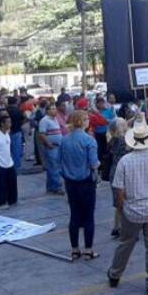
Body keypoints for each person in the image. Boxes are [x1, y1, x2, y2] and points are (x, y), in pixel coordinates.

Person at [107, 115, 148, 295]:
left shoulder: (125, 161)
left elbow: (119, 190)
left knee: (125, 244)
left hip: (132, 210)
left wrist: (121, 208)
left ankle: (114, 275)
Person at [60, 111, 100, 261]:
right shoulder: (89, 141)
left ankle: (75, 249)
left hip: (70, 182)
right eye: (87, 118)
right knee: (89, 216)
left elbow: (59, 160)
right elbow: (93, 163)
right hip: (86, 181)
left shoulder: (64, 140)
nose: (88, 121)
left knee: (74, 215)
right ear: (82, 121)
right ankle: (88, 250)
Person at [107, 118, 129, 237]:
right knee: (123, 201)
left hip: (113, 171)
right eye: (123, 123)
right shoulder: (123, 140)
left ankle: (116, 226)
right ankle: (123, 229)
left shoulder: (112, 139)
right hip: (122, 171)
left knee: (118, 201)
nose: (126, 124)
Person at [38, 104, 65, 195]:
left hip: (58, 146)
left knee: (52, 167)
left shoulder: (55, 119)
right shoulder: (44, 120)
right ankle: (57, 187)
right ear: (48, 110)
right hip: (51, 146)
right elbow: (42, 134)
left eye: (55, 108)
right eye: (52, 109)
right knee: (54, 167)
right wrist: (48, 143)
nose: (55, 110)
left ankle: (51, 187)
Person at [6, 97, 26, 170]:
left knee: (9, 148)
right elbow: (24, 118)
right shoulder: (18, 110)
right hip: (17, 130)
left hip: (7, 131)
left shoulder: (6, 110)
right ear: (15, 102)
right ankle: (16, 165)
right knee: (16, 149)